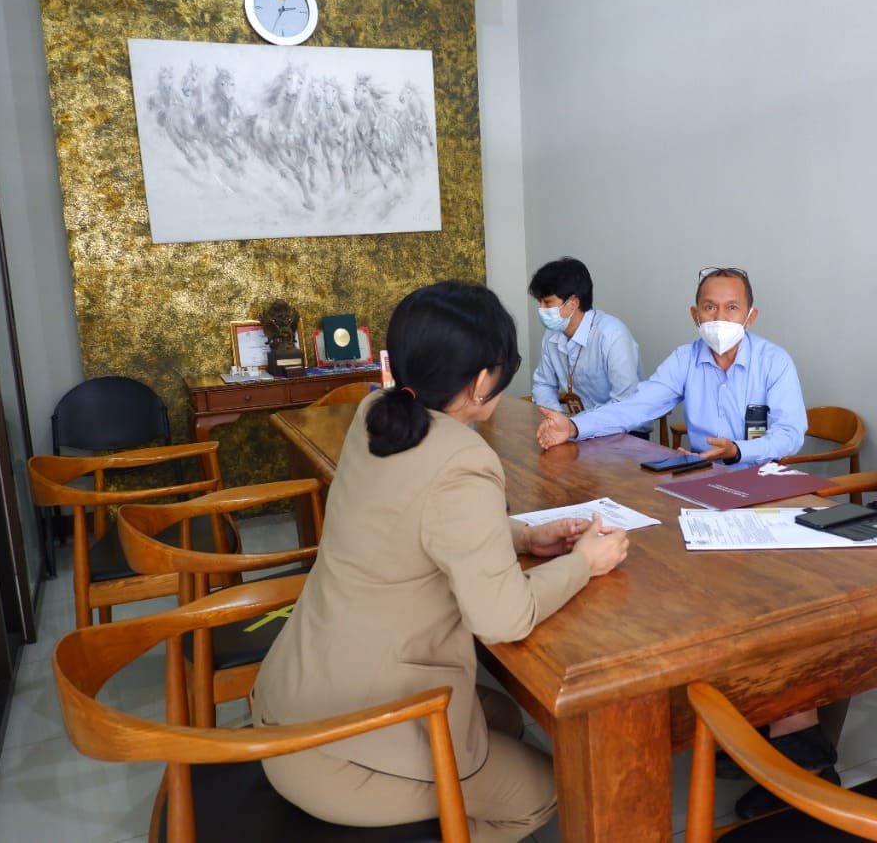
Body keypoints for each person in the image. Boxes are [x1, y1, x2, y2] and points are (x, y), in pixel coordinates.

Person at [252, 282, 630, 842]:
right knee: (547, 790)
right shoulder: (463, 458)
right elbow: (503, 618)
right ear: (480, 382)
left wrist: (525, 538)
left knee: (503, 718)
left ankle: (462, 803)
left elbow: (411, 522)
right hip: (342, 748)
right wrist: (585, 563)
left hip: (299, 695)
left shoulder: (377, 414)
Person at [535, 266, 807, 466]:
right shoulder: (684, 359)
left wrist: (738, 450)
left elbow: (790, 434)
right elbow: (634, 407)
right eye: (709, 307)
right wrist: (573, 427)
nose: (720, 317)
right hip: (701, 473)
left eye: (732, 307)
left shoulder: (774, 361)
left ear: (750, 317)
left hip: (760, 477)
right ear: (695, 315)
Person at [528, 256, 648, 435]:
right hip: (578, 430)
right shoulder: (551, 335)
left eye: (547, 302)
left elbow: (624, 403)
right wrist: (559, 417)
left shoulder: (612, 334)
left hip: (624, 432)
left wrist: (576, 425)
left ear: (573, 303)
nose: (541, 309)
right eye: (539, 302)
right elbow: (543, 384)